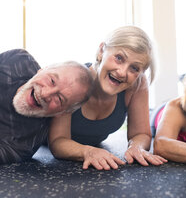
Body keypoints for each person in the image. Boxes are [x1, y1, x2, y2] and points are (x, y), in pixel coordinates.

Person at [49, 26, 167, 170]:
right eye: (119, 58)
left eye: (134, 68)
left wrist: (136, 147)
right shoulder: (75, 79)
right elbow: (58, 141)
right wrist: (88, 151)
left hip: (95, 150)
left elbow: (140, 134)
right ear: (101, 51)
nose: (122, 72)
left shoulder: (137, 85)